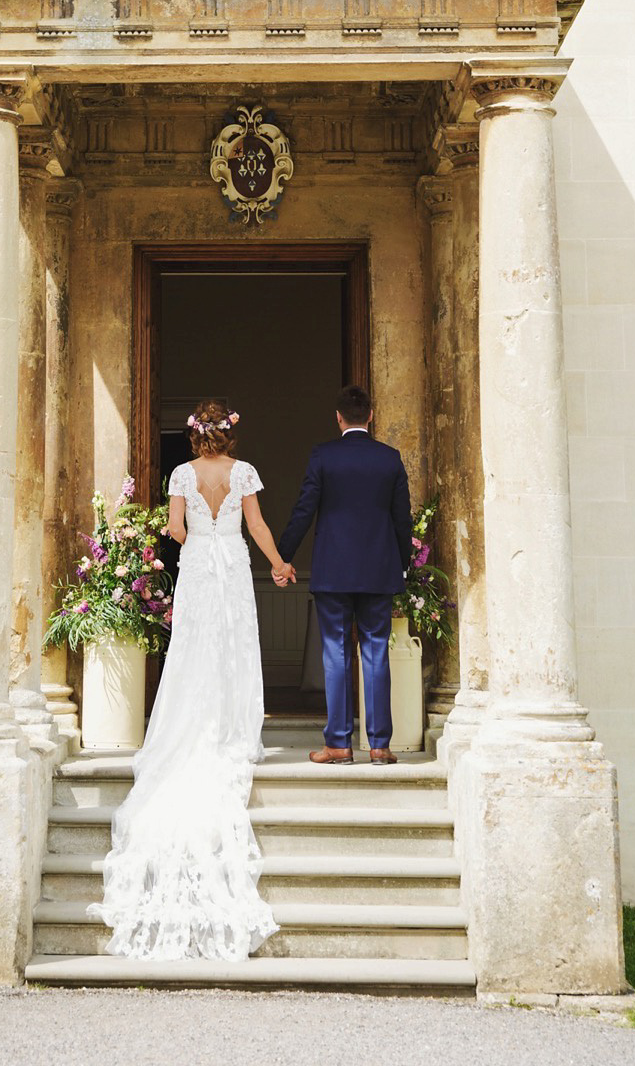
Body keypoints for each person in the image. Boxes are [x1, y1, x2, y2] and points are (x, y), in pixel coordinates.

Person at [89, 399, 288, 960]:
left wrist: (189, 530)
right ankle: (233, 727)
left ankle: (192, 723)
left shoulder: (181, 473)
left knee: (193, 649)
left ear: (197, 436)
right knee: (233, 647)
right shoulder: (243, 473)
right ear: (228, 435)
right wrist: (275, 562)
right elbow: (257, 524)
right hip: (232, 563)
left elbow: (174, 529)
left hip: (200, 565)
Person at [275, 385, 412, 766]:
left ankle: (338, 744)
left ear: (339, 419)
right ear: (370, 416)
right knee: (375, 654)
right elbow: (403, 518)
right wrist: (401, 563)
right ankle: (380, 746)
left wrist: (281, 557)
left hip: (333, 572)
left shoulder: (324, 456)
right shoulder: (390, 458)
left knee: (335, 654)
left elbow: (304, 511)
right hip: (379, 571)